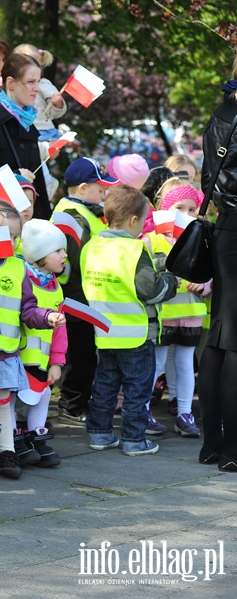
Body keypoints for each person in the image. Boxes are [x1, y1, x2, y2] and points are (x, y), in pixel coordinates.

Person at [0, 201, 64, 479]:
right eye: (9, 236)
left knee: (2, 403)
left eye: (16, 237)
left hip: (5, 352)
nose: (14, 243)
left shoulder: (18, 268)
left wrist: (47, 317)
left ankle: (7, 453)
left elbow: (27, 310)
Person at [81, 186, 178, 456]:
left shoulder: (91, 246)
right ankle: (135, 440)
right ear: (133, 220)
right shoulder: (134, 250)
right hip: (136, 334)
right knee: (137, 390)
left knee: (104, 385)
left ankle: (99, 434)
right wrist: (171, 280)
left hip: (104, 332)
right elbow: (151, 290)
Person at [51, 157, 121, 424]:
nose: (104, 194)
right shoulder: (71, 215)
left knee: (86, 353)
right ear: (82, 188)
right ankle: (70, 404)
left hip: (84, 294)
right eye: (100, 188)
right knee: (79, 354)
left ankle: (78, 402)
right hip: (75, 296)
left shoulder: (84, 211)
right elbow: (79, 258)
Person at [144, 183, 208, 438]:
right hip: (163, 314)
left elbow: (211, 272)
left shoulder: (201, 239)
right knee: (156, 363)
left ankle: (184, 413)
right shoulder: (152, 239)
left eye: (192, 209)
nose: (187, 213)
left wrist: (205, 284)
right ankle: (143, 409)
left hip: (191, 314)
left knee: (184, 365)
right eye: (180, 207)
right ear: (163, 209)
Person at [199, 59, 237, 471]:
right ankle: (230, 450)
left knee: (219, 337)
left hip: (226, 225)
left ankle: (213, 444)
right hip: (234, 225)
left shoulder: (224, 110)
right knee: (233, 340)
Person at [0, 53, 51, 219]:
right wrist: (13, 176)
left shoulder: (27, 120)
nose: (37, 88)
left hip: (30, 218)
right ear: (11, 83)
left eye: (38, 82)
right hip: (1, 218)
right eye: (30, 82)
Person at [16, 220, 68, 467]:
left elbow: (60, 331)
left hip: (41, 358)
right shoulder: (20, 279)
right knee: (16, 399)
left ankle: (36, 436)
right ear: (38, 254)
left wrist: (57, 361)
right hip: (17, 357)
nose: (64, 255)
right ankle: (15, 439)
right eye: (57, 250)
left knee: (42, 394)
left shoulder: (55, 286)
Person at [12, 44, 66, 142]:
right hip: (22, 131)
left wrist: (58, 104)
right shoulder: (12, 85)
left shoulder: (44, 84)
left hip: (43, 130)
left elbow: (54, 113)